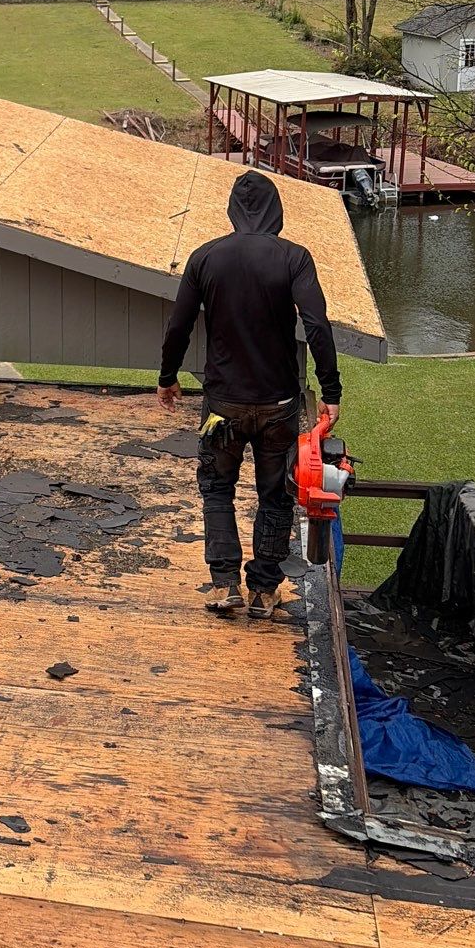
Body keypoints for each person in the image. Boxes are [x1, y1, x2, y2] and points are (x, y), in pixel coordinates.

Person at [157, 171, 341, 618]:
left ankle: (224, 586)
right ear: (277, 210)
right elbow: (316, 325)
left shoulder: (205, 257)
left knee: (217, 487)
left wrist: (167, 375)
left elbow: (179, 324)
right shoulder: (294, 258)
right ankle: (263, 590)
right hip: (279, 404)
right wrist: (330, 389)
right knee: (274, 494)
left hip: (223, 405)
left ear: (233, 211)